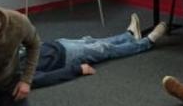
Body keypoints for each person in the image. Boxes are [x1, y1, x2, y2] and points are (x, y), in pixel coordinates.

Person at [31, 13, 168, 88]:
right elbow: (44, 78)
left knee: (94, 41)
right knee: (105, 49)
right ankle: (147, 42)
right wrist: (77, 70)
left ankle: (129, 36)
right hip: (66, 57)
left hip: (58, 44)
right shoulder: (14, 73)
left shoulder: (10, 51)